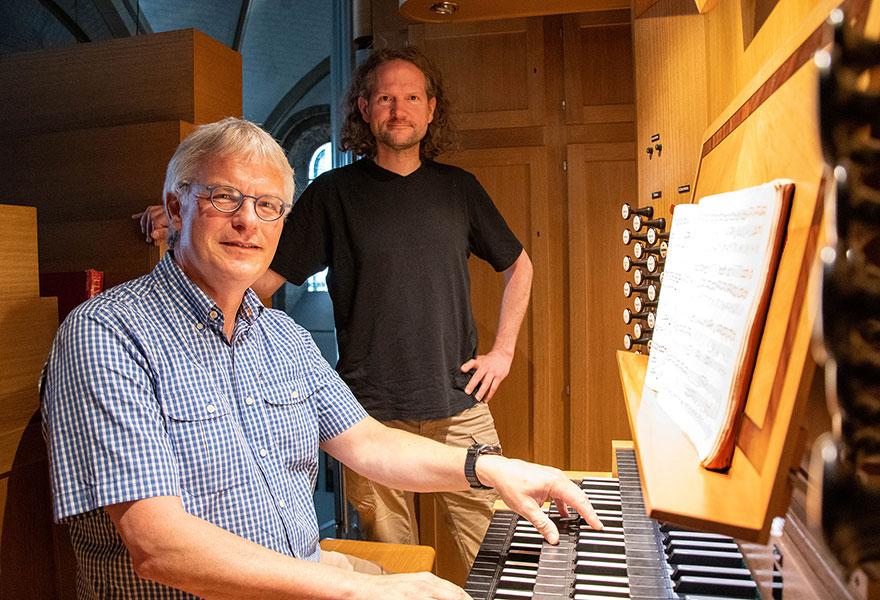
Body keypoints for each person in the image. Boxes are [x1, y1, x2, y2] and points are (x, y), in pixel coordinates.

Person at [47, 117, 601, 599]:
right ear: (175, 206)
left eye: (267, 206)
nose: (248, 222)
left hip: (302, 574)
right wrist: (364, 589)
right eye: (224, 198)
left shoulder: (282, 337)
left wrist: (490, 468)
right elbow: (159, 548)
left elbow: (368, 443)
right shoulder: (106, 334)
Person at [135, 47, 533, 572]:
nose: (399, 108)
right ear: (364, 110)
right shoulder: (332, 193)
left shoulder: (459, 188)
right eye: (386, 97)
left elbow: (519, 265)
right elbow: (256, 282)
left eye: (411, 97)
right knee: (394, 565)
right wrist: (186, 227)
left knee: (500, 551)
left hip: (459, 403)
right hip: (365, 412)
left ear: (431, 109)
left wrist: (502, 352)